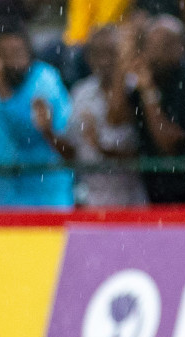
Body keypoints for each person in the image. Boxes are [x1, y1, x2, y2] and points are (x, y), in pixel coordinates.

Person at [0, 26, 74, 208]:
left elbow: (31, 135)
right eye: (5, 54)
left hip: (45, 201)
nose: (14, 60)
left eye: (18, 51)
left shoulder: (44, 80)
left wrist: (1, 89)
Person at [60, 25, 148, 208]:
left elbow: (140, 152)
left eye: (111, 53)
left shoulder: (137, 87)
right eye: (98, 53)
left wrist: (101, 147)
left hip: (131, 201)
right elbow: (71, 151)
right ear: (88, 58)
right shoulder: (80, 93)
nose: (105, 61)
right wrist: (47, 131)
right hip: (92, 200)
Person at [132, 15, 185, 204]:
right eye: (151, 45)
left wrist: (149, 92)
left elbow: (168, 143)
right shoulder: (141, 80)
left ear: (182, 47)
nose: (156, 52)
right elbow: (115, 119)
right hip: (151, 192)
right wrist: (126, 60)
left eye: (166, 44)